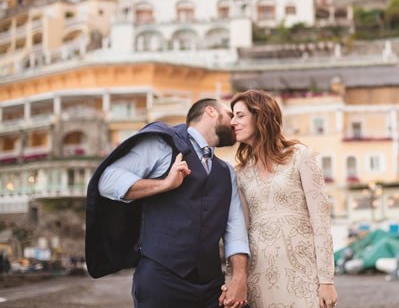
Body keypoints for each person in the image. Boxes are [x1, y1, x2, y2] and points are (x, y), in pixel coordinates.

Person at [85, 98, 250, 308]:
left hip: (211, 286)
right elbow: (107, 181)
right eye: (230, 114)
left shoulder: (226, 172)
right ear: (211, 111)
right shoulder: (163, 144)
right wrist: (164, 184)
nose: (235, 122)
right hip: (161, 280)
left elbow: (235, 228)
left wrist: (239, 278)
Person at [228, 89, 338, 308]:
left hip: (304, 276)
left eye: (240, 115)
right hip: (259, 276)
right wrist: (235, 279)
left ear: (261, 116)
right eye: (232, 116)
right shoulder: (240, 173)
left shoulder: (300, 156)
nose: (232, 122)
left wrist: (326, 280)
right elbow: (240, 229)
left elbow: (321, 221)